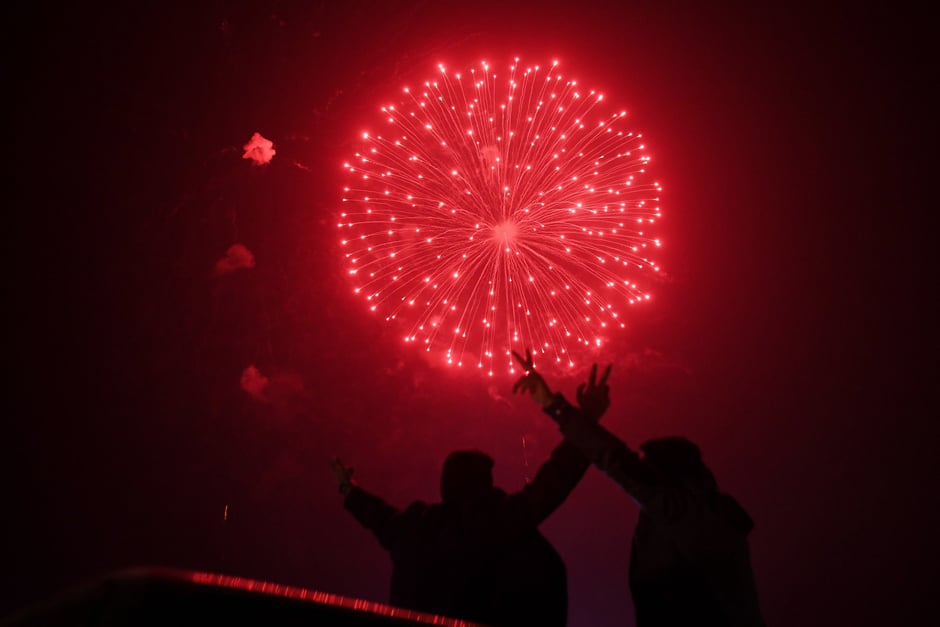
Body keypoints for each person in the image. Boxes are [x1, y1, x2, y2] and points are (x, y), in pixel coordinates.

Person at [330, 367, 610, 626]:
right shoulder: (500, 521)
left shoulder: (416, 527)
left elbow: (378, 517)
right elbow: (555, 480)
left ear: (446, 483)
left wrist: (349, 489)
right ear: (485, 483)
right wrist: (586, 419)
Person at [512, 349, 765, 627]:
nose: (644, 477)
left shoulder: (684, 512)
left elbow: (616, 460)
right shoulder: (704, 520)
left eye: (650, 470)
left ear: (670, 475)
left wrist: (556, 406)